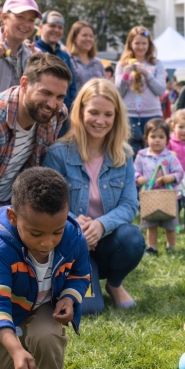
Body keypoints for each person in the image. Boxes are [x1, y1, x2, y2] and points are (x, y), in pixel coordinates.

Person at [0, 167, 91, 369]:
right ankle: (6, 365)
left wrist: (70, 299)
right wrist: (15, 348)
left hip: (44, 307)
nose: (47, 243)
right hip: (8, 308)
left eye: (56, 232)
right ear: (13, 217)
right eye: (36, 233)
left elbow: (80, 275)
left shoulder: (74, 237)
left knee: (46, 334)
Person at [43, 78, 144, 313]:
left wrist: (101, 225)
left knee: (133, 237)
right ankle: (85, 273)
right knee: (89, 309)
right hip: (71, 241)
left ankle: (115, 284)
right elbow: (47, 205)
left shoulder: (124, 155)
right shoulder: (58, 154)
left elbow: (130, 205)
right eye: (94, 112)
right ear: (80, 112)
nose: (101, 121)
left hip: (107, 238)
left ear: (116, 117)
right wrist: (73, 223)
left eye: (108, 114)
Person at [0, 52, 71, 276]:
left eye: (60, 96)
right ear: (24, 83)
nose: (52, 104)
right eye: (46, 93)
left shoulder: (54, 115)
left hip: (13, 200)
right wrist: (17, 216)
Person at [0, 0, 41, 103]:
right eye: (20, 17)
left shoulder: (30, 55)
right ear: (4, 17)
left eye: (31, 20)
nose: (26, 24)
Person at [134, 119, 184, 255]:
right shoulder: (142, 155)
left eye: (161, 137)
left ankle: (171, 246)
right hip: (149, 195)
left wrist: (170, 177)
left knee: (170, 223)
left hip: (167, 194)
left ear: (167, 139)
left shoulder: (170, 156)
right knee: (151, 223)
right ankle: (152, 246)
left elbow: (179, 172)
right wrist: (138, 178)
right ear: (146, 138)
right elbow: (135, 170)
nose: (157, 140)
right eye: (153, 137)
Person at [115, 27, 165, 155]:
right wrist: (125, 76)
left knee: (154, 153)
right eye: (137, 43)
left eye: (144, 43)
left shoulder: (156, 64)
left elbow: (160, 90)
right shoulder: (122, 64)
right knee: (130, 153)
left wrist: (146, 74)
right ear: (131, 44)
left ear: (149, 45)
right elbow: (118, 93)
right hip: (129, 116)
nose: (140, 47)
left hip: (152, 114)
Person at [35, 11, 77, 115]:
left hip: (63, 117)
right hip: (40, 114)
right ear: (41, 27)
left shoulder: (65, 55)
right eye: (52, 26)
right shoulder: (33, 51)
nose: (56, 30)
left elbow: (72, 86)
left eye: (60, 27)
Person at [66, 21, 105, 92]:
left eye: (91, 36)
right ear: (74, 37)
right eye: (84, 35)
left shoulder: (98, 63)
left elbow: (105, 88)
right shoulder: (68, 60)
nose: (88, 39)